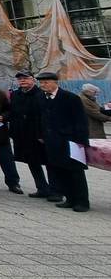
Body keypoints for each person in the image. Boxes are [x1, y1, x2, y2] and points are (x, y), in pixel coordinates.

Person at [37, 71, 90, 212]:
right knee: (60, 171)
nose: (43, 85)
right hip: (52, 142)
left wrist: (81, 142)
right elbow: (41, 119)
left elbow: (81, 121)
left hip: (71, 141)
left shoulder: (70, 98)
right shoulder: (42, 98)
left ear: (55, 83)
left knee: (75, 172)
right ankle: (70, 198)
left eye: (46, 82)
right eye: (41, 83)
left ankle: (82, 201)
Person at [7, 70, 56, 200]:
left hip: (38, 135)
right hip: (22, 135)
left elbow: (46, 116)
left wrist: (43, 134)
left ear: (33, 79)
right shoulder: (16, 94)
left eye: (26, 78)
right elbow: (13, 113)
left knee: (48, 163)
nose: (23, 81)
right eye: (20, 79)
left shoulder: (41, 94)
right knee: (32, 162)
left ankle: (55, 190)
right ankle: (42, 188)